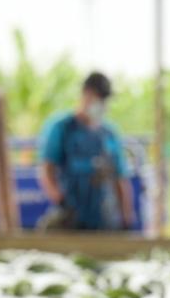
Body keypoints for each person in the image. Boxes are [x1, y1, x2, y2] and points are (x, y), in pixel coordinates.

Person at [36, 72, 135, 231]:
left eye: (104, 100)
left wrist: (126, 217)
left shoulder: (109, 134)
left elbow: (120, 179)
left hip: (104, 219)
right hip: (72, 216)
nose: (101, 104)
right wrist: (61, 201)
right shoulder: (63, 128)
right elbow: (47, 170)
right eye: (97, 97)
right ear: (85, 94)